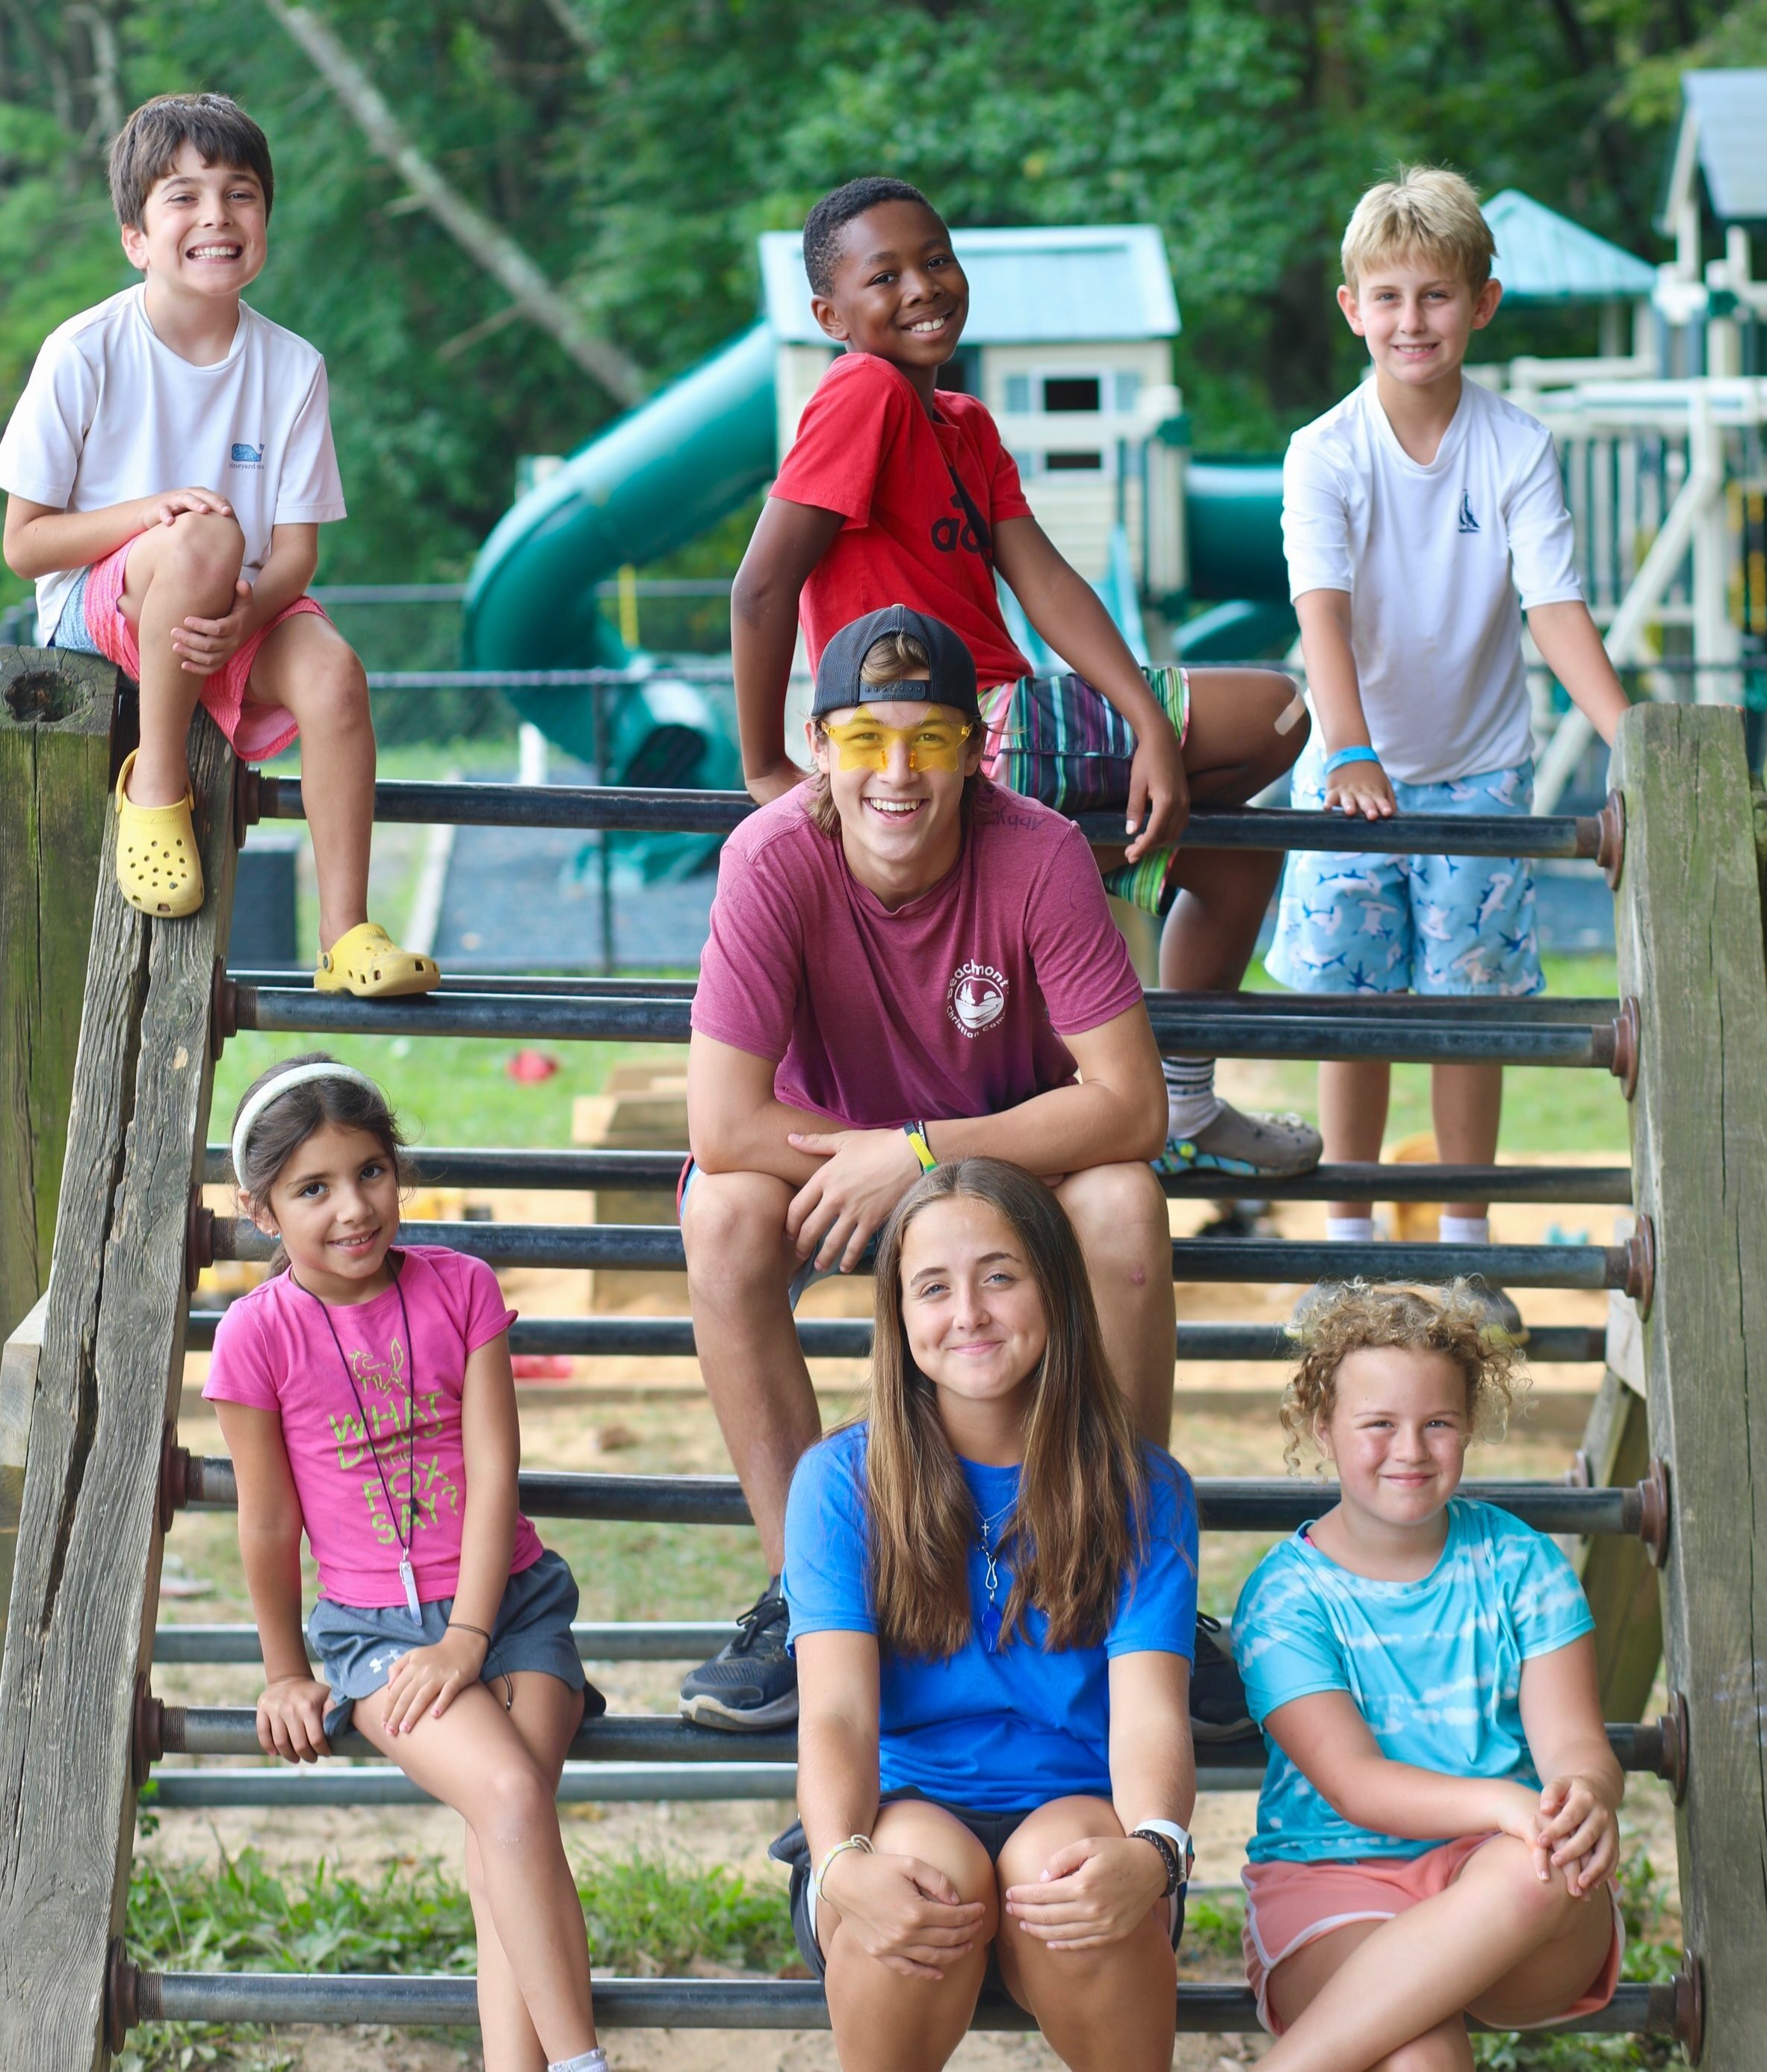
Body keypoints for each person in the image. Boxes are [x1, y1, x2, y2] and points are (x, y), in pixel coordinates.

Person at [680, 601, 1218, 1735]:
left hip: (998, 1169)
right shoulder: (770, 856)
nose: (896, 772)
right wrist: (877, 1165)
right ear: (817, 745)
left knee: (1122, 1203)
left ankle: (1122, 1572)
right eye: (865, 738)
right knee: (723, 1214)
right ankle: (806, 1597)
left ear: (976, 747)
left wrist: (920, 1156)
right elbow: (725, 1125)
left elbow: (1125, 1101)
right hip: (825, 1175)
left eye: (927, 740)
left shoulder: (1035, 852)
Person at [731, 173, 1321, 1182]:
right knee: (1278, 709)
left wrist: (1143, 721)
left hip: (1003, 730)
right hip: (963, 728)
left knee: (1230, 856)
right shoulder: (861, 391)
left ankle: (1176, 1091)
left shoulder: (962, 423)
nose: (920, 287)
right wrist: (765, 769)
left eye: (936, 260)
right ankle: (1078, 918)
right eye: (885, 276)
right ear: (830, 317)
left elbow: (1042, 580)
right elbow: (759, 586)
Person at [204, 1055, 605, 2072]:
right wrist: (287, 1667)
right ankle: (580, 2063)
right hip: (375, 1632)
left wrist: (471, 1634)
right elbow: (265, 1521)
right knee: (509, 1804)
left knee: (498, 1837)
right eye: (313, 1187)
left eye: (371, 1171)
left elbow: (493, 1465)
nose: (353, 1207)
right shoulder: (256, 1334)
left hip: (511, 1605)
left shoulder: (460, 1288)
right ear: (260, 1210)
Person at [1272, 167, 1629, 1306]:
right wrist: (1347, 749)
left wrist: (1630, 735)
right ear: (1350, 308)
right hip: (1347, 759)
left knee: (1465, 1010)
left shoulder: (1512, 445)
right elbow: (1318, 611)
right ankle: (1345, 1242)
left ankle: (1464, 1245)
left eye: (1434, 296)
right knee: (1352, 1006)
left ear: (1479, 303)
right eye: (1386, 297)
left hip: (1477, 764)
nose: (1409, 320)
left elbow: (1551, 603)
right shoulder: (1322, 452)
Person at [0, 92, 436, 998]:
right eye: (182, 196)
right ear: (136, 238)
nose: (215, 217)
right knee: (204, 535)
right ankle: (156, 783)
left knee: (335, 676)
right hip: (102, 605)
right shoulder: (83, 351)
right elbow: (27, 546)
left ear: (265, 219)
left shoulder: (292, 366)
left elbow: (299, 554)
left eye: (239, 194)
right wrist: (152, 513)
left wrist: (243, 623)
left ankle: (344, 931)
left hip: (240, 600)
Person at [773, 1158, 1196, 2071]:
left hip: (1078, 1804)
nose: (968, 1312)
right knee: (922, 1885)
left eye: (1000, 1275)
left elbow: (1151, 1707)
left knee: (1068, 1875)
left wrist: (1156, 1847)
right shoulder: (843, 1479)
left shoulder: (1140, 1485)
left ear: (1056, 1287)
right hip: (900, 1803)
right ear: (899, 1316)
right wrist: (843, 1863)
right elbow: (838, 1712)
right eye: (933, 1286)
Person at [1231, 1283, 1624, 2065]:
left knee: (1537, 1859)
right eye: (1379, 1424)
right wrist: (1506, 1803)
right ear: (1325, 1430)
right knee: (1420, 2059)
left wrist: (1585, 1793)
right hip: (1335, 1883)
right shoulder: (1287, 1596)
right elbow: (1355, 1783)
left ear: (1468, 1426)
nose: (1410, 1449)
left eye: (1436, 1423)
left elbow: (1576, 1744)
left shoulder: (1520, 1563)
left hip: (1514, 1904)